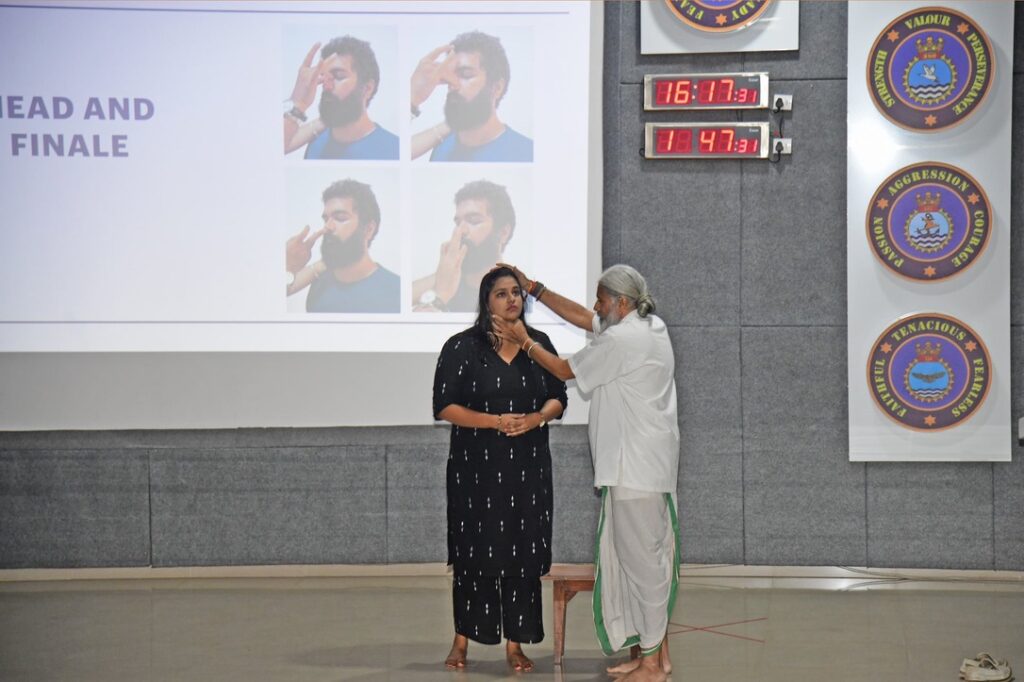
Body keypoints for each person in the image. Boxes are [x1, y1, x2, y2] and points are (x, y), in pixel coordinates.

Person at [493, 264, 680, 682]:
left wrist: (524, 341)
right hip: (636, 468)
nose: (596, 307)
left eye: (602, 300)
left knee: (644, 566)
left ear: (622, 303)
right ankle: (654, 654)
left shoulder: (623, 339)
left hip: (635, 469)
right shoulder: (647, 327)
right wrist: (535, 289)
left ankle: (653, 665)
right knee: (638, 563)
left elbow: (564, 371)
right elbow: (583, 316)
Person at [432, 266, 568, 672]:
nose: (512, 299)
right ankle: (462, 641)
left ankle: (516, 645)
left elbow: (559, 396)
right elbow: (444, 406)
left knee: (522, 554)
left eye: (516, 293)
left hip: (527, 470)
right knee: (475, 552)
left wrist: (535, 419)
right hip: (476, 471)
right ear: (486, 302)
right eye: (502, 294)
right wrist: (494, 421)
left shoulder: (538, 343)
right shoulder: (462, 347)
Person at [410, 31, 532, 162]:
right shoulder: (441, 147)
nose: (452, 83)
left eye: (465, 74)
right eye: (449, 75)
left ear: (497, 88)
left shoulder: (528, 152)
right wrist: (413, 98)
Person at [286, 179, 399, 313]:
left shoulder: (395, 290)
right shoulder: (319, 283)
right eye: (326, 219)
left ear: (368, 229)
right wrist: (290, 266)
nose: (327, 227)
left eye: (340, 218)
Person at [283, 36, 399, 160]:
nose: (326, 85)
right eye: (323, 77)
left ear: (367, 88)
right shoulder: (316, 143)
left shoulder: (394, 149)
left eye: (338, 76)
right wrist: (298, 103)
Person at [412, 180, 515, 312]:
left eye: (473, 220)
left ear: (503, 233)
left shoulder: (521, 295)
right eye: (458, 223)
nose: (460, 231)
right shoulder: (443, 280)